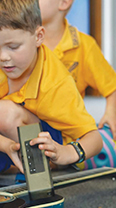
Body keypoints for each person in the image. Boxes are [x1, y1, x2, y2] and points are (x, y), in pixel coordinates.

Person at [0, 0, 102, 189]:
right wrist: (7, 146)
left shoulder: (56, 80)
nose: (3, 57)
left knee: (3, 112)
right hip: (0, 140)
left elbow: (94, 138)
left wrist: (66, 153)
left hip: (44, 139)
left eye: (13, 47)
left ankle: (41, 166)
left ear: (38, 36)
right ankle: (13, 163)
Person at [39, 0, 116, 139]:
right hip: (31, 128)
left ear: (64, 2)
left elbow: (112, 86)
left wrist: (111, 113)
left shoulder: (84, 46)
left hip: (67, 137)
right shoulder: (22, 41)